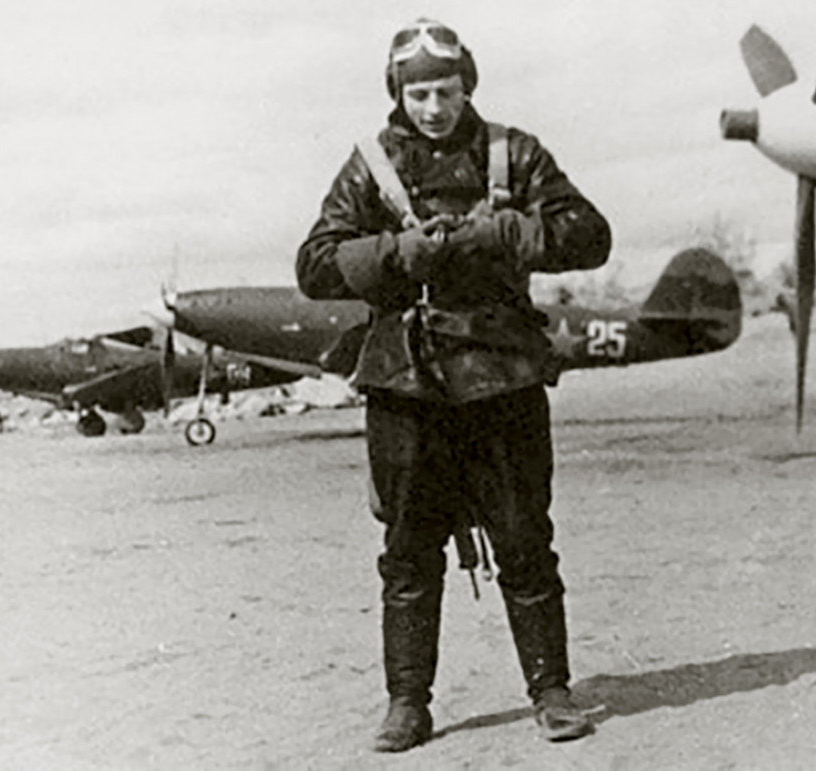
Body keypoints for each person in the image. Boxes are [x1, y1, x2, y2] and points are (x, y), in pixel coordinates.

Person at [296, 18, 611, 753]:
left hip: (504, 375)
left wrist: (509, 233)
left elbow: (590, 234)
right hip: (405, 382)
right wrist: (394, 252)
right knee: (408, 549)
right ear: (397, 94)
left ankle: (552, 693)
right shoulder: (370, 165)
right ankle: (408, 703)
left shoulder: (514, 152)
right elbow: (313, 265)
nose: (433, 108)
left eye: (445, 90)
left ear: (467, 85)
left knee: (525, 539)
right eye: (418, 94)